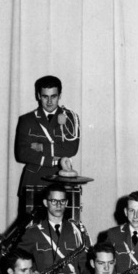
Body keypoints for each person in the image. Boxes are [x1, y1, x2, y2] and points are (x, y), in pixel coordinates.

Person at [19, 183, 90, 274]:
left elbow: (85, 262)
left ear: (67, 203)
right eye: (54, 201)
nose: (58, 205)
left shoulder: (76, 230)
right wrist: (29, 272)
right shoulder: (33, 232)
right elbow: (18, 258)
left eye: (62, 201)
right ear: (46, 203)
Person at [14, 74, 81, 208]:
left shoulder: (70, 118)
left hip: (62, 176)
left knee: (64, 223)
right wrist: (52, 159)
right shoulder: (27, 120)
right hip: (34, 177)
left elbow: (71, 149)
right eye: (45, 96)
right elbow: (22, 153)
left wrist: (41, 146)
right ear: (38, 95)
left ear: (60, 95)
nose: (49, 101)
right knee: (31, 225)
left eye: (53, 96)